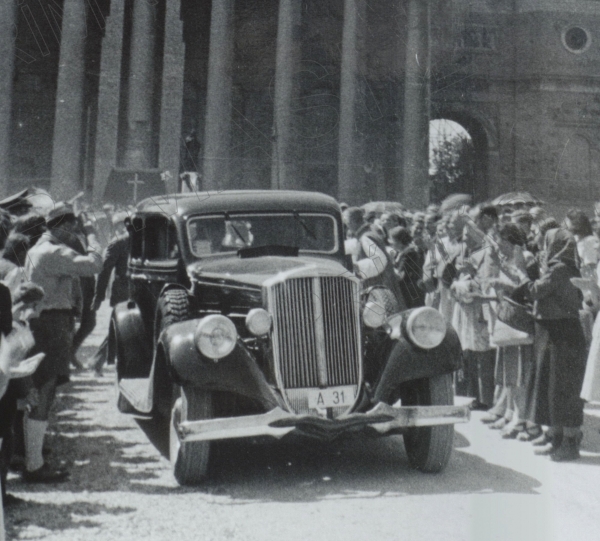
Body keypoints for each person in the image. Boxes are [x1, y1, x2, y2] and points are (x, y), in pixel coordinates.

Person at [23, 202, 102, 481]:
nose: (74, 233)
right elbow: (94, 264)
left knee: (40, 390)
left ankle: (32, 457)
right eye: (73, 227)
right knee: (45, 391)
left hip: (44, 323)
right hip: (51, 325)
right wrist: (91, 234)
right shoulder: (53, 251)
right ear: (64, 226)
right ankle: (34, 466)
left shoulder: (38, 249)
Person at [505, 228, 587, 461]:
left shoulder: (559, 269)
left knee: (564, 388)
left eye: (546, 243)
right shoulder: (561, 268)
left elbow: (535, 291)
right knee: (551, 387)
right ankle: (556, 437)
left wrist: (521, 272)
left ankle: (570, 442)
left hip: (561, 333)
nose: (542, 247)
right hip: (552, 331)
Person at [451, 221, 497, 410]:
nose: (464, 239)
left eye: (468, 235)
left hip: (479, 310)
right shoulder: (467, 253)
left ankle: (486, 399)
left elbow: (486, 283)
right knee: (469, 354)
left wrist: (466, 285)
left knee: (482, 355)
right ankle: (474, 396)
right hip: (466, 311)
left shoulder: (487, 254)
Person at [343, 207, 405, 309]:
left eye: (347, 223)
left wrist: (356, 267)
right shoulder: (369, 232)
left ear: (352, 222)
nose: (347, 227)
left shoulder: (366, 237)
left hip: (380, 286)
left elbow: (379, 261)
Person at [90, 225, 130, 376]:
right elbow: (105, 270)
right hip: (123, 291)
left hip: (138, 289)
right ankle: (97, 361)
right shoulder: (118, 243)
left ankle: (97, 362)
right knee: (119, 329)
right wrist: (98, 297)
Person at [388, 226, 425, 308]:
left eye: (392, 240)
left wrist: (388, 266)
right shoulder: (399, 253)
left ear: (399, 241)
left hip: (410, 293)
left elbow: (400, 275)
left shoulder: (410, 253)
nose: (391, 243)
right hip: (403, 291)